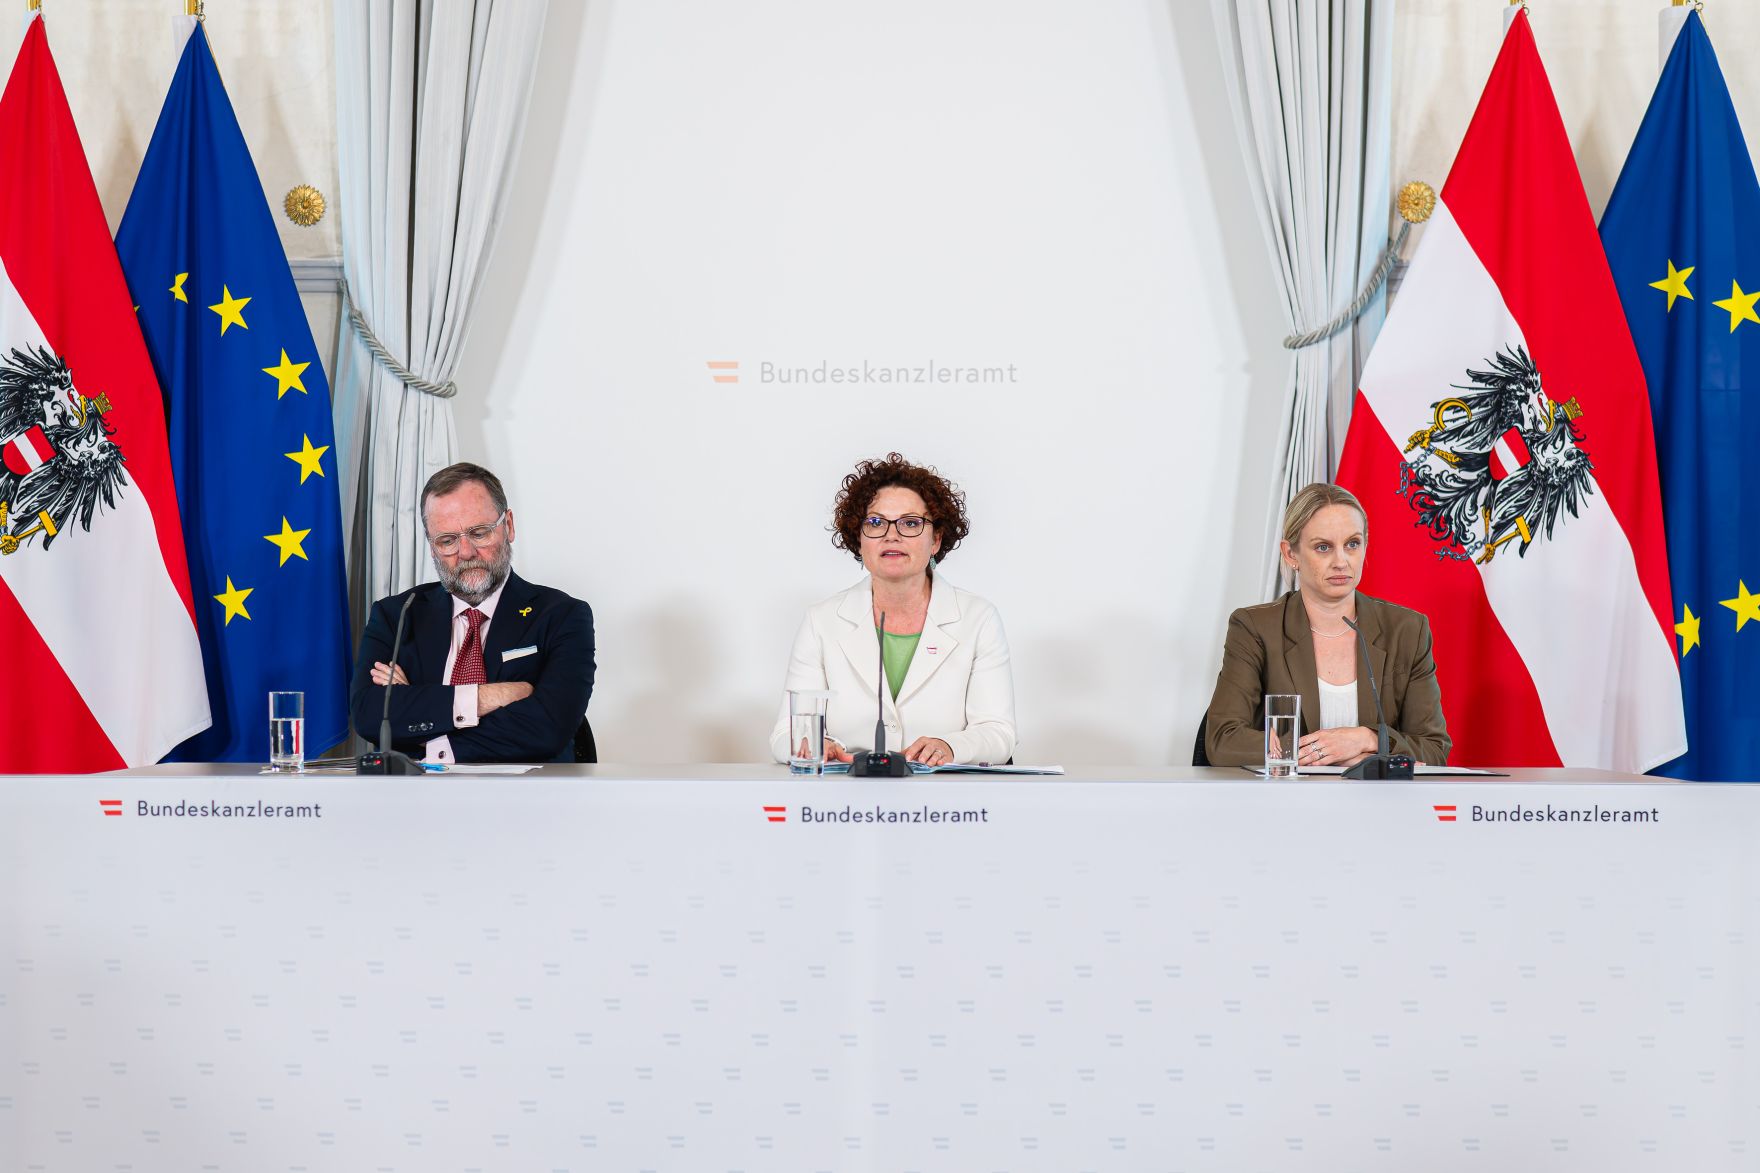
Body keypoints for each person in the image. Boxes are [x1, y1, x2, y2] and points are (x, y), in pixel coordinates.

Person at [769, 453, 1015, 767]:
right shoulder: (822, 621)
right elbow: (785, 734)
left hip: (944, 794)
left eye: (910, 523)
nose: (892, 535)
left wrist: (950, 747)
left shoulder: (978, 618)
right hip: (846, 794)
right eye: (875, 522)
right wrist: (817, 745)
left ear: (936, 539)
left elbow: (998, 733)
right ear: (859, 539)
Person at [350, 462, 595, 764]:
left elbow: (547, 728)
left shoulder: (562, 616)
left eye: (479, 533)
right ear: (431, 546)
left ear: (509, 526)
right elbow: (370, 715)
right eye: (447, 540)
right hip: (419, 793)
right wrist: (487, 697)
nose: (465, 552)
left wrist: (423, 718)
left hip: (528, 792)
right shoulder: (397, 615)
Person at [1203, 482, 1450, 770]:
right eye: (1323, 547)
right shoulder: (1255, 628)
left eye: (1352, 544)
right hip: (1288, 797)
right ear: (1290, 554)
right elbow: (1223, 741)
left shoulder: (1407, 629)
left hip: (1378, 798)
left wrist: (1368, 739)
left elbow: (1434, 749)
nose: (1341, 561)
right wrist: (1325, 754)